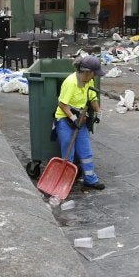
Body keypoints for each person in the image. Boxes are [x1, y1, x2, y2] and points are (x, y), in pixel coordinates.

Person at [53, 56, 105, 190]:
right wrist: (72, 119)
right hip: (65, 120)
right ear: (86, 72)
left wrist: (98, 111)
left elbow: (92, 98)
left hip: (80, 119)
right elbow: (62, 104)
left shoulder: (89, 82)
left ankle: (90, 179)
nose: (95, 77)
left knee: (86, 151)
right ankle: (65, 182)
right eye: (94, 73)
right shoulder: (70, 82)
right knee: (68, 154)